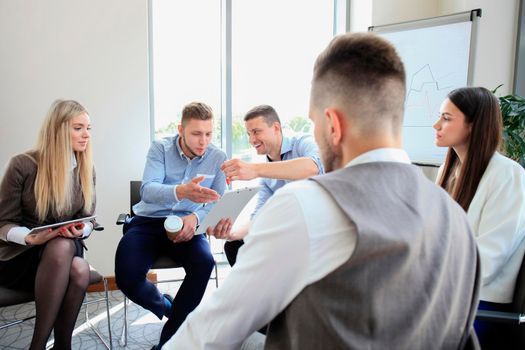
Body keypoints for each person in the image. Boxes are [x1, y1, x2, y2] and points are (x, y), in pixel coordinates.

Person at [163, 33, 479, 349]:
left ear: (333, 124)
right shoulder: (456, 217)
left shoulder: (305, 205)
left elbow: (209, 333)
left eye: (314, 122)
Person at [114, 102, 231, 349]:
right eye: (196, 134)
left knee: (204, 262)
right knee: (126, 276)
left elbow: (218, 202)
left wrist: (196, 218)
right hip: (148, 222)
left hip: (188, 225)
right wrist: (181, 191)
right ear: (181, 129)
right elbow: (147, 191)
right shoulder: (160, 148)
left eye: (209, 134)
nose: (203, 141)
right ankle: (167, 305)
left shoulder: (218, 157)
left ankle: (169, 342)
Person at [0, 99, 96, 350]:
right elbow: (3, 223)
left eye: (88, 128)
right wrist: (30, 237)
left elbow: (88, 219)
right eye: (78, 128)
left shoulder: (85, 168)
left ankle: (50, 345)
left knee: (66, 251)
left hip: (62, 249)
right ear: (58, 129)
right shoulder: (22, 165)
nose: (86, 134)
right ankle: (48, 345)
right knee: (79, 269)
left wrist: (82, 229)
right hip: (21, 256)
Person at [434, 86, 525, 348]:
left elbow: (487, 261)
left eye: (447, 118)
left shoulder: (507, 175)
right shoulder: (449, 170)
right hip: (449, 295)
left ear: (474, 125)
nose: (436, 124)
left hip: (479, 305)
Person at [218, 105, 323, 265]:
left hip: (316, 228)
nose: (252, 140)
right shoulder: (266, 176)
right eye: (248, 134)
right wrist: (231, 234)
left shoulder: (302, 143)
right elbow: (258, 218)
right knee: (234, 246)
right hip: (287, 230)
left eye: (256, 131)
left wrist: (255, 169)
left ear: (276, 128)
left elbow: (314, 168)